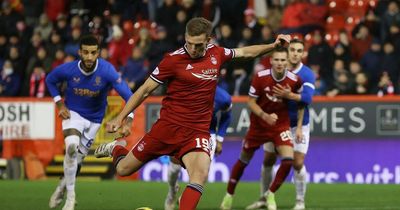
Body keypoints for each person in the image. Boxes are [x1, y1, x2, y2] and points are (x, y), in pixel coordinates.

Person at [94, 17, 290, 210]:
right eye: (189, 43)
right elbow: (144, 90)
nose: (193, 49)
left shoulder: (217, 53)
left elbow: (246, 52)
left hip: (197, 132)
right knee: (123, 169)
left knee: (200, 175)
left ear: (208, 40)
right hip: (167, 128)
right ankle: (116, 148)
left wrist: (273, 46)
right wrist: (120, 117)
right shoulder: (172, 60)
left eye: (198, 45)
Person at [46, 35, 134, 210]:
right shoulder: (69, 69)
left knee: (77, 161)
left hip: (94, 120)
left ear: (98, 53)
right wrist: (59, 103)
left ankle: (62, 187)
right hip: (73, 115)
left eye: (93, 53)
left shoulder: (107, 71)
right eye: (85, 52)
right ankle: (71, 198)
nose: (89, 57)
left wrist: (128, 122)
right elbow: (50, 80)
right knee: (71, 148)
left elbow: (130, 97)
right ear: (79, 52)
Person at [220, 47, 305, 210]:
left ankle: (270, 194)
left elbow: (302, 102)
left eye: (283, 60)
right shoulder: (260, 77)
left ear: (287, 62)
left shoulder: (295, 80)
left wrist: (298, 120)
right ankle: (229, 195)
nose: (280, 63)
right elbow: (250, 102)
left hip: (280, 125)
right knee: (244, 159)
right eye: (277, 60)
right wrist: (265, 115)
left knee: (288, 160)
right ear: (271, 61)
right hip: (258, 125)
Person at [246, 39, 316, 210]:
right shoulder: (276, 70)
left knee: (297, 162)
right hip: (276, 124)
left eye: (299, 51)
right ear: (287, 51)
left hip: (297, 124)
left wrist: (290, 96)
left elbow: (306, 100)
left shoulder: (306, 74)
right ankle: (264, 198)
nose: (295, 53)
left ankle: (300, 201)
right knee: (268, 160)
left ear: (303, 54)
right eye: (292, 49)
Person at [164, 86, 232, 210]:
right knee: (174, 166)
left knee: (202, 174)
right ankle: (172, 191)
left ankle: (185, 199)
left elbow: (227, 115)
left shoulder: (223, 97)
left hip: (207, 132)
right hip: (183, 128)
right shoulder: (186, 88)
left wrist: (220, 139)